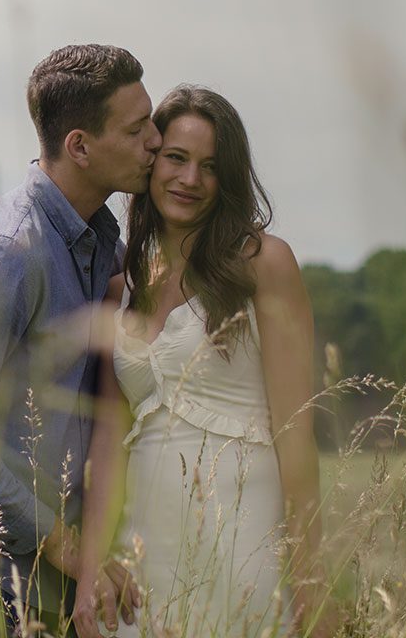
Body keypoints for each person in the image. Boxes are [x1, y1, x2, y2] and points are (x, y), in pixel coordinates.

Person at [0, 44, 161, 637]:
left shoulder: (102, 248)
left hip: (43, 583)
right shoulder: (6, 253)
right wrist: (69, 548)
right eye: (137, 126)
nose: (154, 139)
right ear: (80, 146)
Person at [72, 85, 333, 638]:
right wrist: (91, 569)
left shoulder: (264, 264)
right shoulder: (120, 288)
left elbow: (296, 435)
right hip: (141, 550)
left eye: (210, 166)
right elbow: (105, 442)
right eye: (176, 158)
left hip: (242, 542)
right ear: (151, 158)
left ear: (228, 179)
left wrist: (310, 577)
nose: (190, 180)